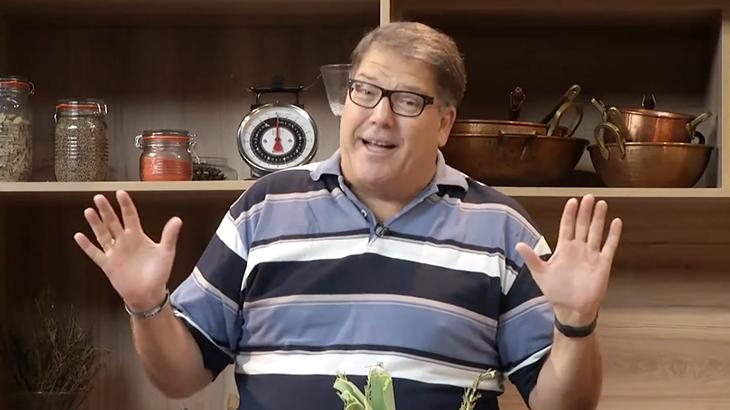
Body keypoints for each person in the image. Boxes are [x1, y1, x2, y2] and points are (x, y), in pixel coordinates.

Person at [74, 22, 622, 410]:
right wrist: (146, 305)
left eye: (407, 101)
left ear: (444, 124)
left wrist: (576, 322)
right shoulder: (263, 209)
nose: (379, 116)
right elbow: (179, 378)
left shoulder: (501, 228)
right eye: (365, 91)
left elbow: (561, 404)